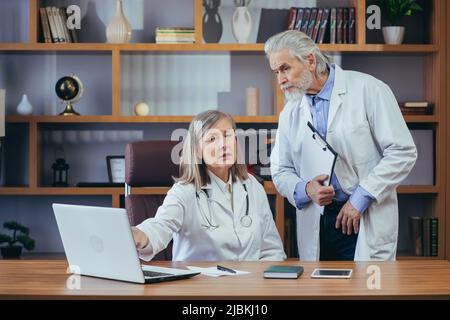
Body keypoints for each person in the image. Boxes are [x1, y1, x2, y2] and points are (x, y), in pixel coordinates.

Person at [265, 30, 417, 261]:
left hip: (364, 216)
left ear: (310, 60)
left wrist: (360, 198)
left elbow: (402, 152)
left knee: (368, 293)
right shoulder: (290, 113)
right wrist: (306, 189)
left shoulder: (369, 90)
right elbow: (280, 170)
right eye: (276, 72)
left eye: (285, 68)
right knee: (320, 294)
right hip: (318, 220)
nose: (280, 80)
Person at [132, 110, 286, 261]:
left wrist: (266, 281)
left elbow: (272, 250)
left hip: (249, 284)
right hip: (201, 284)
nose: (223, 145)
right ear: (198, 151)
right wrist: (140, 235)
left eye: (227, 135)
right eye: (212, 139)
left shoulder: (253, 187)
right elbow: (161, 226)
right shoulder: (184, 191)